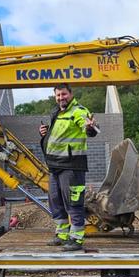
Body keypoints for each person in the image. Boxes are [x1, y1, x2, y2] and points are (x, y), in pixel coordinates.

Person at [39, 84, 99, 251]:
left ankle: (76, 238)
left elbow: (90, 129)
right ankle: (62, 234)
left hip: (72, 167)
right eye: (58, 95)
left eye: (63, 94)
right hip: (55, 166)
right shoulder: (56, 113)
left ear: (71, 94)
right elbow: (58, 135)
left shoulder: (78, 111)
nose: (61, 98)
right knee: (56, 202)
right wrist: (44, 132)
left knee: (73, 202)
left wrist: (90, 127)